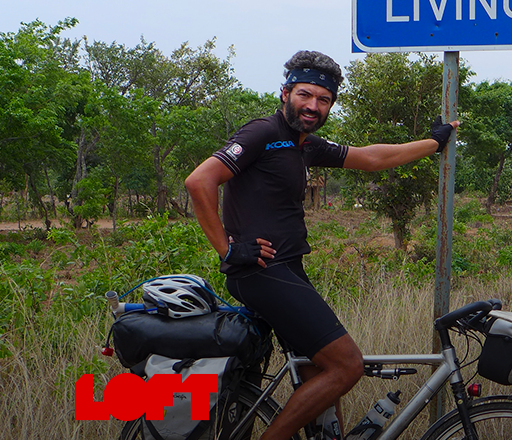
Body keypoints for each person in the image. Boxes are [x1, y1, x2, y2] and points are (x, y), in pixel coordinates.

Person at [185, 50, 456, 439]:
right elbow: (199, 181)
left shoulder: (303, 143)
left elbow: (370, 159)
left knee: (320, 377)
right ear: (285, 93)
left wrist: (432, 143)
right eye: (304, 95)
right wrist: (228, 249)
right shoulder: (262, 132)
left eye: (323, 99)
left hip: (287, 270)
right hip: (262, 274)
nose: (313, 105)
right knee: (348, 366)